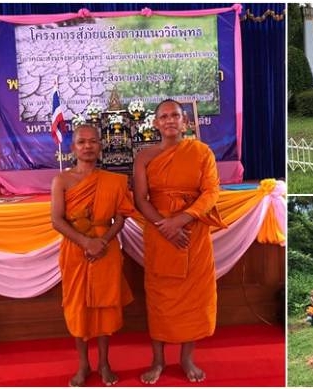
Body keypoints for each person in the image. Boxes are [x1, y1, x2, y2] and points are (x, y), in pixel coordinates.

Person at [134, 99, 227, 384]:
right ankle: (158, 360)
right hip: (159, 233)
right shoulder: (144, 157)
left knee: (194, 298)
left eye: (175, 115)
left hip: (193, 234)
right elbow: (140, 199)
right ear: (155, 123)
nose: (170, 120)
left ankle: (186, 358)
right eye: (164, 116)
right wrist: (165, 226)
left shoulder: (201, 152)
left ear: (184, 122)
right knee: (160, 299)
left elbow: (211, 191)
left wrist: (182, 219)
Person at [51, 125, 135, 387]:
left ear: (100, 146)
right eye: (81, 142)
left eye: (92, 141)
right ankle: (84, 365)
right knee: (78, 308)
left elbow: (120, 217)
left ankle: (104, 362)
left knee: (104, 307)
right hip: (76, 250)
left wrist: (103, 241)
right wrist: (86, 242)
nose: (87, 146)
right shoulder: (61, 181)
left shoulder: (114, 180)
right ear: (73, 147)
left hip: (105, 249)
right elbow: (56, 220)